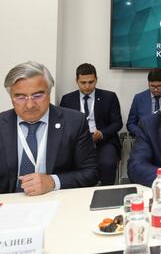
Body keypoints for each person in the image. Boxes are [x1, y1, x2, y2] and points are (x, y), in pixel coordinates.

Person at [0, 61, 98, 195]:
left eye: (38, 96)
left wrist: (53, 182)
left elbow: (91, 173)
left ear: (49, 92)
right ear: (11, 97)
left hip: (56, 200)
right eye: (21, 97)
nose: (30, 105)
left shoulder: (74, 122)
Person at [60, 63, 122, 185]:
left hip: (103, 141)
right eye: (83, 83)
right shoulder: (67, 99)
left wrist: (102, 133)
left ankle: (106, 191)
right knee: (70, 164)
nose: (87, 86)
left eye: (91, 82)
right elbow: (63, 125)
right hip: (77, 142)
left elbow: (117, 123)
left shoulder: (109, 97)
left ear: (96, 80)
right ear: (76, 81)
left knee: (108, 163)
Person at [126, 68, 161, 137]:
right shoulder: (139, 98)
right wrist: (140, 133)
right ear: (148, 83)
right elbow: (130, 124)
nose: (155, 89)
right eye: (152, 86)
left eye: (159, 86)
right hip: (145, 138)